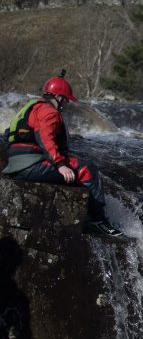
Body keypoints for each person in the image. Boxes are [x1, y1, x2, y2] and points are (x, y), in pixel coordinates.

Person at [2, 73, 123, 238]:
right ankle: (98, 221)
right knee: (87, 168)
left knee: (74, 168)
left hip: (15, 164)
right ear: (57, 97)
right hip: (30, 166)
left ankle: (86, 216)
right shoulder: (49, 112)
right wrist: (60, 164)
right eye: (65, 100)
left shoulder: (31, 107)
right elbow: (45, 139)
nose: (66, 104)